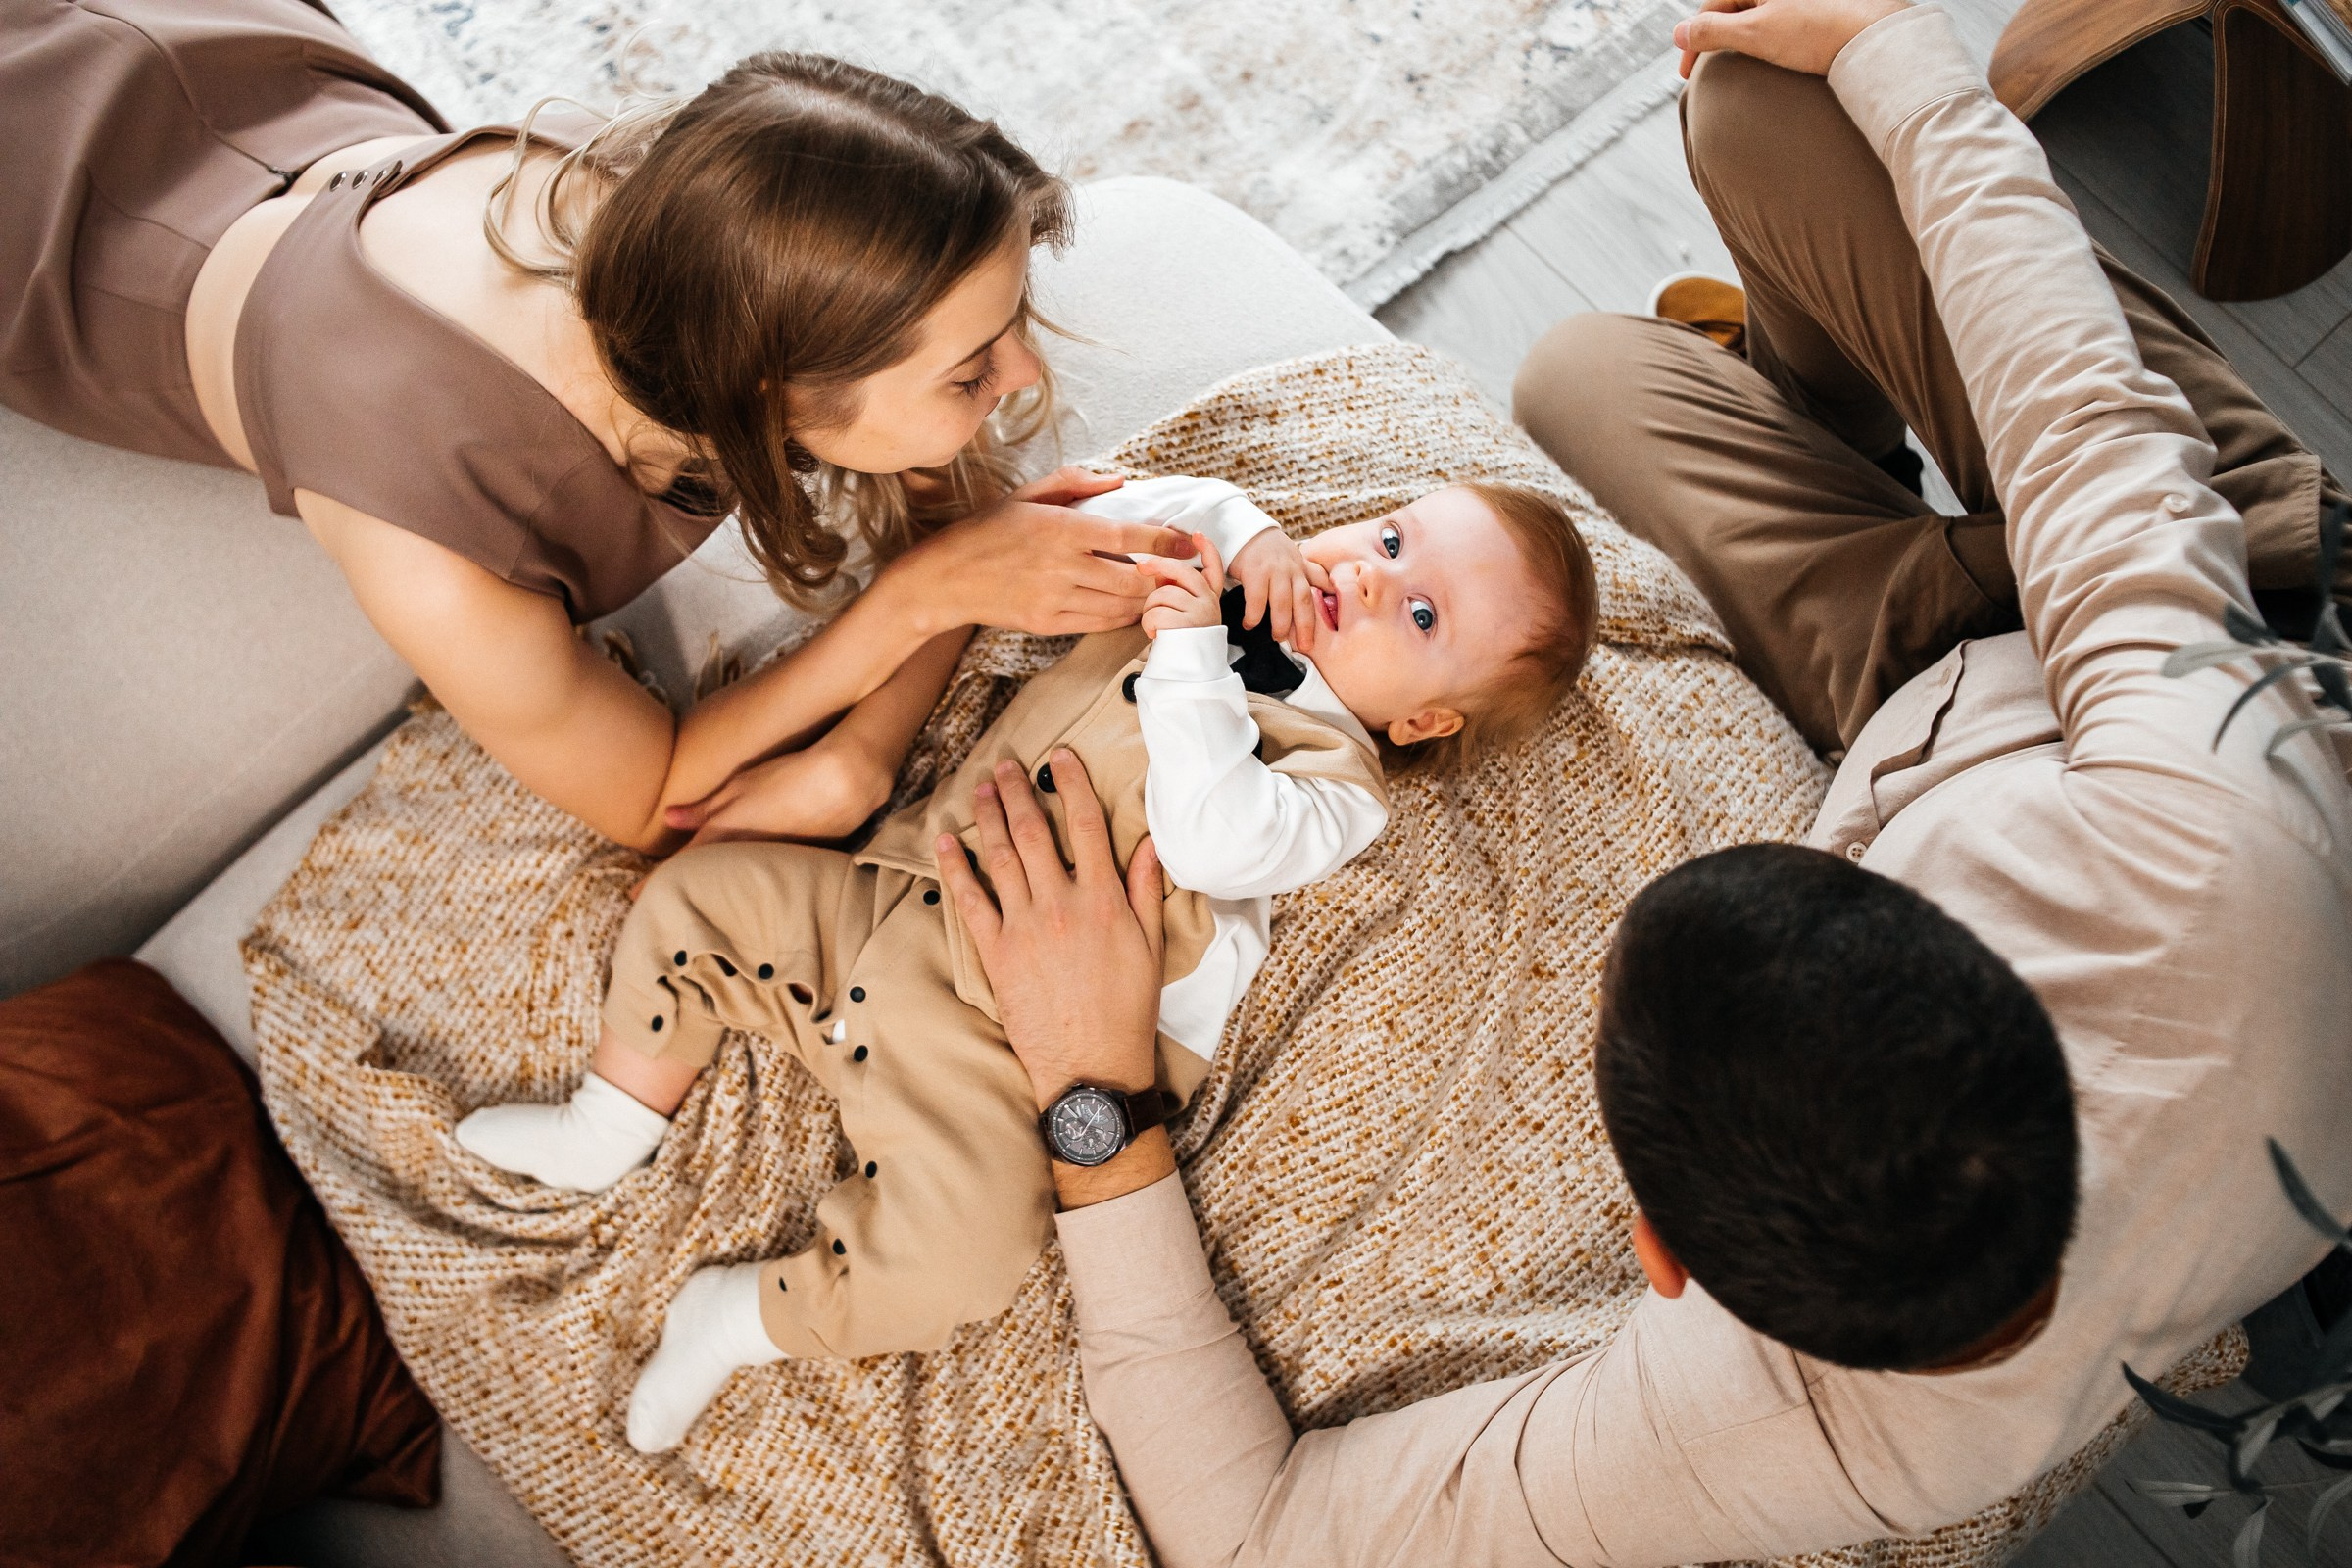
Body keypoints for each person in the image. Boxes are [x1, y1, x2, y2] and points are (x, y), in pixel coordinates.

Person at [925, 1, 2352, 1563]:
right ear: (1977, 964)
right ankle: (1917, 472)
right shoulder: (2195, 815)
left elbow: (1262, 1534)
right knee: (1741, 138)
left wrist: (1090, 1097)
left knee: (1590, 378)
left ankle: (1859, 492)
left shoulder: (1809, 1440)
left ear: (1661, 1261)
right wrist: (1895, 47)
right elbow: (2085, 418)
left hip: (1978, 700)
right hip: (2224, 645)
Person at [453, 474, 1599, 1452]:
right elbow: (1119, 505)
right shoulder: (1232, 569)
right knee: (690, 900)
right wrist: (1241, 528)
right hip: (897, 894)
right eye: (1389, 538)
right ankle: (612, 1117)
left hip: (1005, 1053)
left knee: (967, 1257)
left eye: (1420, 616)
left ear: (1425, 723)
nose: (1365, 577)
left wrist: (1197, 641)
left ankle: (746, 1314)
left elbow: (1207, 828)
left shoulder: (1333, 789)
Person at [0, 0, 1192, 855]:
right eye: (972, 367)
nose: (1025, 376)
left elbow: (947, 488)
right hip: (55, 225)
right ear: (772, 394)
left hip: (245, 47)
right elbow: (646, 793)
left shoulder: (714, 212)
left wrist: (868, 741)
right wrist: (913, 611)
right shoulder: (428, 525)